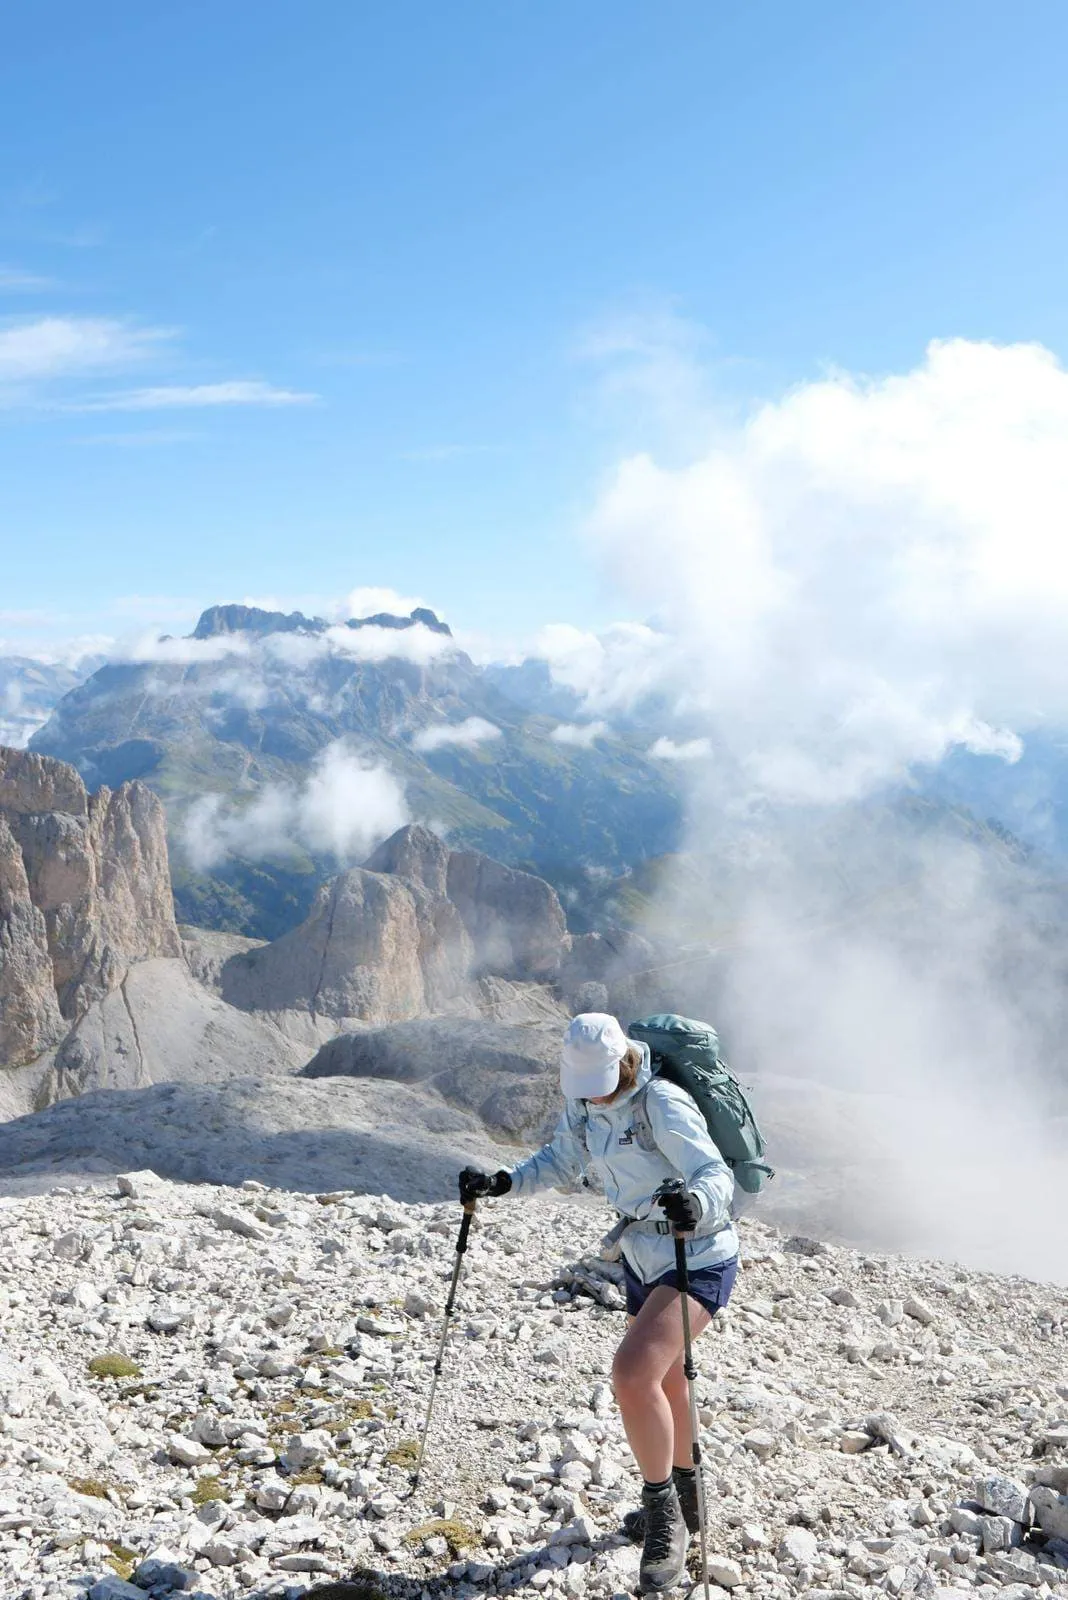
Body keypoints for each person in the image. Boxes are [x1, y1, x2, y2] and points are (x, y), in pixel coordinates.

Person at [459, 1011, 739, 1594]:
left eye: (603, 1082)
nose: (595, 1094)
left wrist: (698, 1203)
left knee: (632, 1374)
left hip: (698, 1253)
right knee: (662, 1383)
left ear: (624, 1062)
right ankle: (689, 1501)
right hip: (641, 1256)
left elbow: (712, 1172)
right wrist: (504, 1182)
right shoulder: (586, 1106)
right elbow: (560, 1160)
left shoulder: (660, 1102)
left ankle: (665, 1516)